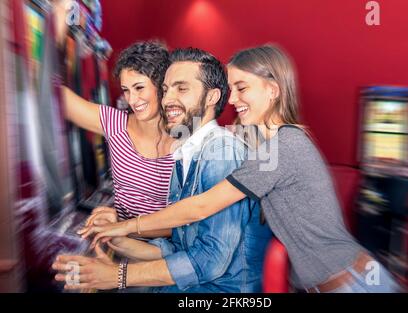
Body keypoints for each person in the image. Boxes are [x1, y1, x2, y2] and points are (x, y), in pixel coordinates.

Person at [79, 45, 401, 293]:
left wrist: (124, 235)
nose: (232, 99)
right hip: (325, 282)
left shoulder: (282, 148)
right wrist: (118, 235)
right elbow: (221, 135)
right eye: (231, 89)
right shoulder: (260, 140)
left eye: (242, 88)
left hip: (355, 282)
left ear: (273, 90)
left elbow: (200, 208)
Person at [52, 47, 272, 292]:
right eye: (167, 90)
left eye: (182, 88)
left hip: (219, 289)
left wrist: (118, 275)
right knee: (73, 278)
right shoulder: (186, 153)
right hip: (189, 280)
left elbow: (210, 261)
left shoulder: (220, 152)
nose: (168, 99)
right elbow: (181, 242)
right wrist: (115, 237)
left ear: (212, 97)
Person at [58, 39, 176, 230]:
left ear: (162, 85)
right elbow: (57, 94)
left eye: (139, 88)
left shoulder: (187, 136)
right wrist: (54, 26)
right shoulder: (115, 123)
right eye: (126, 90)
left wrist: (124, 223)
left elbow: (189, 224)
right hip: (125, 243)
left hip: (166, 253)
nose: (132, 100)